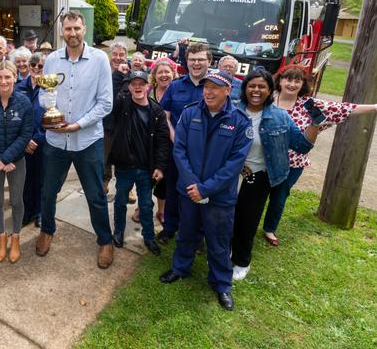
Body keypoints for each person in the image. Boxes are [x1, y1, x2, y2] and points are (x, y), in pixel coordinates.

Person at [159, 70, 251, 311]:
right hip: (189, 191)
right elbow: (179, 150)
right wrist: (194, 186)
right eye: (206, 86)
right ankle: (180, 268)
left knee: (218, 241)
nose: (208, 91)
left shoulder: (240, 121)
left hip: (219, 197)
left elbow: (235, 164)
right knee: (186, 232)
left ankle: (221, 284)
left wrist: (206, 189)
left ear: (227, 90)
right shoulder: (190, 113)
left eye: (215, 87)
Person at [262, 64, 377, 245]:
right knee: (257, 196)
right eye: (288, 79)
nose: (292, 84)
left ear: (303, 84)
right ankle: (248, 224)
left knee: (279, 197)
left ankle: (269, 229)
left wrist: (375, 107)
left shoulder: (310, 105)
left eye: (297, 80)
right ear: (280, 81)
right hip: (264, 161)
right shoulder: (267, 100)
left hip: (292, 165)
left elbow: (344, 108)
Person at [36, 11, 115, 269]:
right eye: (68, 29)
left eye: (77, 28)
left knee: (95, 195)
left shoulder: (100, 59)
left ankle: (105, 240)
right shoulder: (52, 61)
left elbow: (106, 104)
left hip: (87, 141)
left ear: (85, 29)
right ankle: (47, 230)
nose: (72, 33)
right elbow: (44, 96)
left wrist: (77, 124)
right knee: (48, 192)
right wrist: (52, 117)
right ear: (62, 31)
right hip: (56, 141)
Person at [231, 67, 322, 281]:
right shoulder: (233, 111)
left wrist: (315, 122)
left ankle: (242, 261)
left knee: (248, 220)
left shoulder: (280, 117)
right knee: (227, 216)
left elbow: (302, 146)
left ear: (270, 90)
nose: (256, 90)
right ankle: (225, 251)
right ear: (244, 89)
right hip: (230, 174)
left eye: (261, 86)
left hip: (259, 176)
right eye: (251, 86)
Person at [0, 61, 33, 263]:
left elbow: (25, 134)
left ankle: (16, 237)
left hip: (15, 161)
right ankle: (2, 236)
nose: (3, 81)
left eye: (7, 77)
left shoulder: (24, 103)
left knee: (17, 200)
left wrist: (7, 158)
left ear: (15, 78)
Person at [109, 70, 170, 255]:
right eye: (133, 83)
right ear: (129, 87)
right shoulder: (122, 104)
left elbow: (162, 140)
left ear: (147, 86)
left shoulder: (156, 110)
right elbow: (112, 89)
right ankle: (118, 231)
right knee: (120, 200)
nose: (137, 87)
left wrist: (160, 166)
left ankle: (149, 237)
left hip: (146, 168)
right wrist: (119, 70)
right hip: (124, 165)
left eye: (141, 83)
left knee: (146, 204)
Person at [157, 42, 212, 245]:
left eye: (200, 60)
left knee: (198, 191)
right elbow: (165, 115)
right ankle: (170, 227)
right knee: (172, 189)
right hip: (176, 150)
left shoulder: (214, 88)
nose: (196, 64)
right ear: (186, 61)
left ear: (209, 61)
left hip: (204, 153)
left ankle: (197, 236)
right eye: (192, 60)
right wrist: (177, 140)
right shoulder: (175, 86)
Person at [130, 57, 178, 224]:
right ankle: (141, 207)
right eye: (160, 72)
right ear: (154, 75)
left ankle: (161, 210)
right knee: (146, 176)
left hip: (170, 142)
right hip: (147, 142)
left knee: (163, 178)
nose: (164, 75)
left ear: (173, 73)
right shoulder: (148, 90)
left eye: (167, 72)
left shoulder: (177, 91)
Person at [15, 51, 47, 227]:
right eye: (33, 65)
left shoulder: (51, 88)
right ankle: (26, 213)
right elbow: (14, 116)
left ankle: (40, 212)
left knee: (42, 179)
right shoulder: (18, 88)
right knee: (25, 180)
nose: (36, 68)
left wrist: (38, 138)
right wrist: (25, 140)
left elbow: (55, 119)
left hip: (43, 142)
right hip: (23, 143)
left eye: (40, 66)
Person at [103, 41, 129, 195]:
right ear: (110, 55)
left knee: (124, 156)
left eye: (121, 54)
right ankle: (104, 181)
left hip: (125, 122)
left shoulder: (131, 72)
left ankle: (127, 187)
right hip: (106, 120)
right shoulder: (103, 71)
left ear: (126, 56)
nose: (118, 58)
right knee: (104, 154)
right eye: (115, 54)